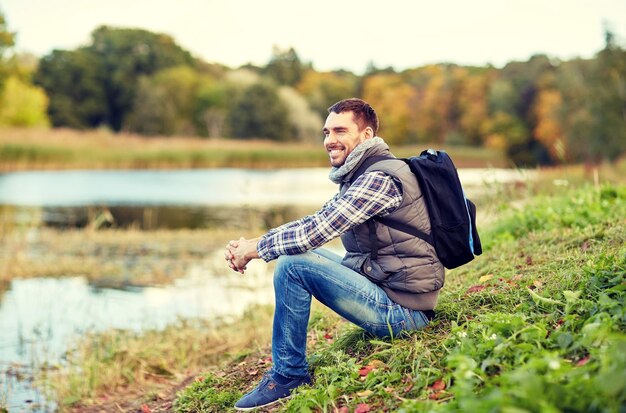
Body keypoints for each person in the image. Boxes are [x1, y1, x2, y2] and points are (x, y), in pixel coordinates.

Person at [224, 98, 443, 411]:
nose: (330, 140)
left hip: (405, 312)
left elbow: (318, 229)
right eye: (326, 132)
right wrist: (256, 242)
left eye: (340, 131)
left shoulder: (379, 179)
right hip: (391, 291)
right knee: (302, 255)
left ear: (366, 136)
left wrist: (254, 250)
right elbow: (314, 221)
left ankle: (288, 376)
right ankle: (288, 372)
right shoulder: (361, 174)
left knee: (293, 265)